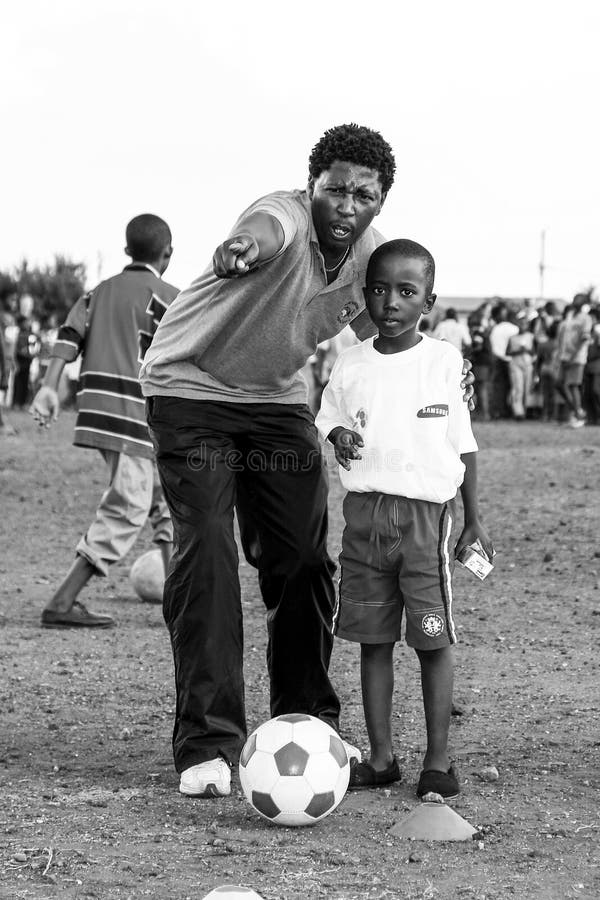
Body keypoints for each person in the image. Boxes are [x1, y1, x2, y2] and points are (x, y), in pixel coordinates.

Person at [140, 124, 475, 799]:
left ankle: (308, 722)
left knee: (302, 557)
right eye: (336, 190)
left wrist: (438, 381)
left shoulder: (371, 256)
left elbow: (380, 340)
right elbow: (263, 230)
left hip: (276, 404)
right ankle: (208, 742)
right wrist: (240, 248)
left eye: (365, 195)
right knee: (206, 545)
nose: (348, 205)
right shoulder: (283, 218)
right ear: (312, 186)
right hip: (190, 391)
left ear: (381, 202)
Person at [315, 239, 493, 798]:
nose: (390, 302)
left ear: (428, 301)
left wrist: (474, 519)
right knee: (373, 639)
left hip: (424, 520)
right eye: (378, 289)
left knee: (432, 640)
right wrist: (338, 434)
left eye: (406, 292)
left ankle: (437, 761)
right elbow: (329, 416)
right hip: (364, 518)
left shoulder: (442, 361)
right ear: (364, 295)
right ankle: (382, 756)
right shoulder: (350, 361)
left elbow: (464, 445)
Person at [30, 214, 179, 628]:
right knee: (128, 506)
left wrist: (48, 387)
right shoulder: (171, 297)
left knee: (163, 499)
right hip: (135, 413)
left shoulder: (98, 292)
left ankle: (178, 600)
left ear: (127, 250)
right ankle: (62, 601)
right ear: (167, 253)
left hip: (98, 409)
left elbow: (67, 337)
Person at [556, 294, 593, 428]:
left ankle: (577, 415)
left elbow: (584, 338)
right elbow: (563, 335)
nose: (574, 301)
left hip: (577, 357)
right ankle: (577, 410)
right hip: (564, 356)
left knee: (573, 385)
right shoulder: (570, 315)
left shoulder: (586, 318)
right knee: (558, 383)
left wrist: (573, 355)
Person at [489, 304, 518, 418]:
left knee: (500, 388)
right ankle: (512, 411)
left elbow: (494, 348)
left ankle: (500, 411)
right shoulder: (514, 328)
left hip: (499, 361)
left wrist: (502, 357)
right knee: (514, 387)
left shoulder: (496, 329)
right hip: (513, 361)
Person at [506, 314, 535, 420]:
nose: (523, 326)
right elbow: (507, 351)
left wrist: (526, 350)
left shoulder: (531, 337)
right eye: (521, 323)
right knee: (518, 388)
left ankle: (525, 409)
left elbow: (535, 352)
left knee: (527, 388)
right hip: (516, 364)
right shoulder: (512, 338)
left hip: (527, 364)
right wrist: (517, 351)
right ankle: (518, 411)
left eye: (525, 324)